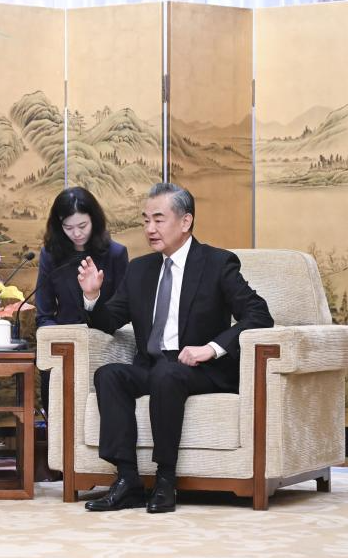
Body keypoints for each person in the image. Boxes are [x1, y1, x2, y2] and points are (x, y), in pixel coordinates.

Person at [77, 183, 273, 514]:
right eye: (145, 220)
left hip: (201, 369)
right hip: (153, 366)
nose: (150, 229)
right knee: (109, 375)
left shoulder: (217, 263)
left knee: (168, 374)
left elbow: (259, 315)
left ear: (185, 222)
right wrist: (93, 297)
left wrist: (211, 348)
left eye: (158, 219)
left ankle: (166, 479)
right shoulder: (140, 269)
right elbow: (110, 321)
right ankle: (127, 480)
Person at [35, 186, 128, 412]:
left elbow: (125, 311)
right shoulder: (51, 254)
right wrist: (59, 338)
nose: (76, 233)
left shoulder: (115, 254)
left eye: (82, 226)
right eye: (68, 227)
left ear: (94, 220)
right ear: (59, 225)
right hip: (64, 345)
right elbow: (44, 314)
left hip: (105, 341)